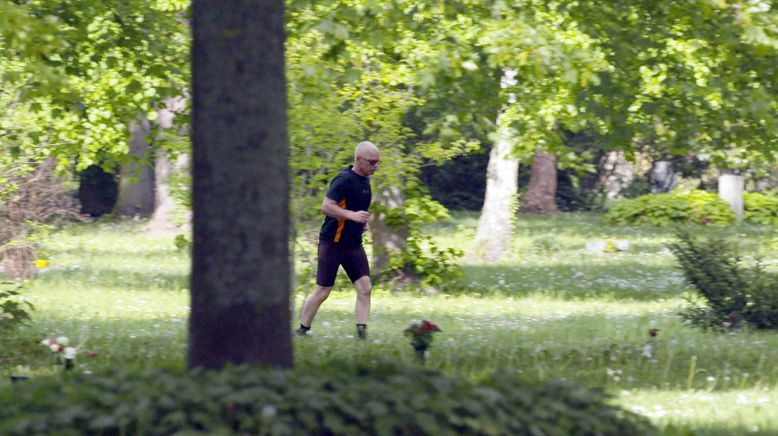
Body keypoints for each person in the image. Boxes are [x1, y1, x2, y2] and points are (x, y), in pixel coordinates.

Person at [296, 141, 381, 339]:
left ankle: (361, 333)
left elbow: (356, 209)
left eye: (378, 162)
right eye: (371, 162)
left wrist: (361, 223)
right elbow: (326, 206)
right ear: (358, 159)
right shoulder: (343, 179)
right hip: (332, 244)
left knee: (365, 288)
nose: (375, 166)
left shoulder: (366, 181)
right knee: (323, 290)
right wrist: (352, 216)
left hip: (353, 245)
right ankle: (302, 329)